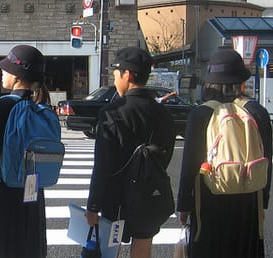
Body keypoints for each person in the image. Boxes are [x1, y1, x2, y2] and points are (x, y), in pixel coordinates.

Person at [176, 48, 272, 258]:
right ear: (241, 83)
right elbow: (267, 161)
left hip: (209, 200)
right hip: (250, 198)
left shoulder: (201, 114)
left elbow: (189, 166)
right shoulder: (257, 112)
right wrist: (263, 202)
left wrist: (183, 205)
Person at [84, 47, 176, 258]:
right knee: (143, 244)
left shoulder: (113, 112)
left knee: (111, 245)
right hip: (150, 193)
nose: (115, 80)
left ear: (128, 75)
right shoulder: (163, 113)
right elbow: (166, 154)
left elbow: (103, 164)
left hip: (116, 197)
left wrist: (93, 205)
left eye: (116, 74)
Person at [0, 45, 52, 258]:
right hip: (33, 189)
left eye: (6, 69)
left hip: (3, 190)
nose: (2, 73)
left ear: (17, 76)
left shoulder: (2, 105)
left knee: (2, 249)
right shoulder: (42, 107)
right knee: (27, 248)